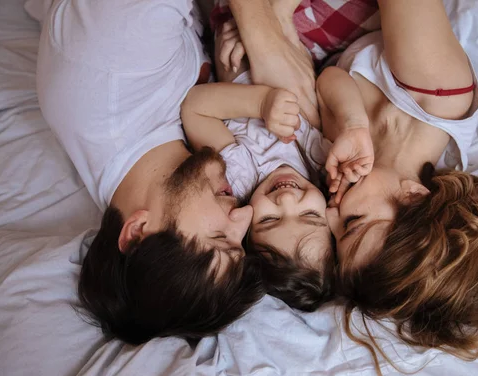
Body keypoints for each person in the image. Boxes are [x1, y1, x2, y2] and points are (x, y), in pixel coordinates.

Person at [317, 0, 478, 376]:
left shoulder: (347, 165)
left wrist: (351, 122)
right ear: (413, 196)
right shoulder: (437, 93)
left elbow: (321, 82)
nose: (330, 211)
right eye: (352, 223)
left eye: (334, 232)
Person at [36, 0, 319, 345]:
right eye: (239, 242)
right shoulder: (153, 172)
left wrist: (263, 31)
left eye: (219, 237)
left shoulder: (117, 55)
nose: (245, 214)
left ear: (138, 230)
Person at [181, 18, 335, 311]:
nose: (288, 199)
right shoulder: (321, 163)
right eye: (310, 215)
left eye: (269, 220)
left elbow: (194, 108)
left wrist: (262, 103)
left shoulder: (239, 175)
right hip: (292, 37)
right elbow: (327, 83)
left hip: (237, 36)